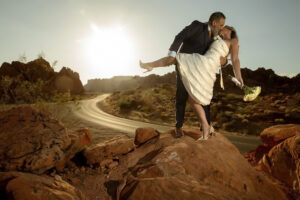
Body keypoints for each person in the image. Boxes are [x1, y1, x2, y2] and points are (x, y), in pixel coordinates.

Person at [140, 25, 243, 140]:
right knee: (193, 99)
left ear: (230, 30)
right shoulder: (214, 37)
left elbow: (235, 59)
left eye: (222, 28)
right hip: (203, 63)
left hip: (206, 64)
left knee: (176, 58)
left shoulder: (233, 41)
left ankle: (150, 65)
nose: (220, 30)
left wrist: (238, 76)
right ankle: (205, 128)